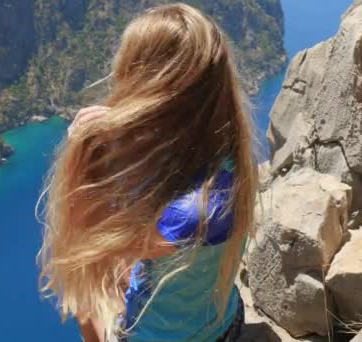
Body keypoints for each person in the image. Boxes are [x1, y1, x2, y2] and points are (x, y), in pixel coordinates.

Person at [37, 3, 257, 342]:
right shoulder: (230, 154)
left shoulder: (188, 212)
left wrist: (84, 149)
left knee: (82, 293)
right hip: (223, 322)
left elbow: (84, 240)